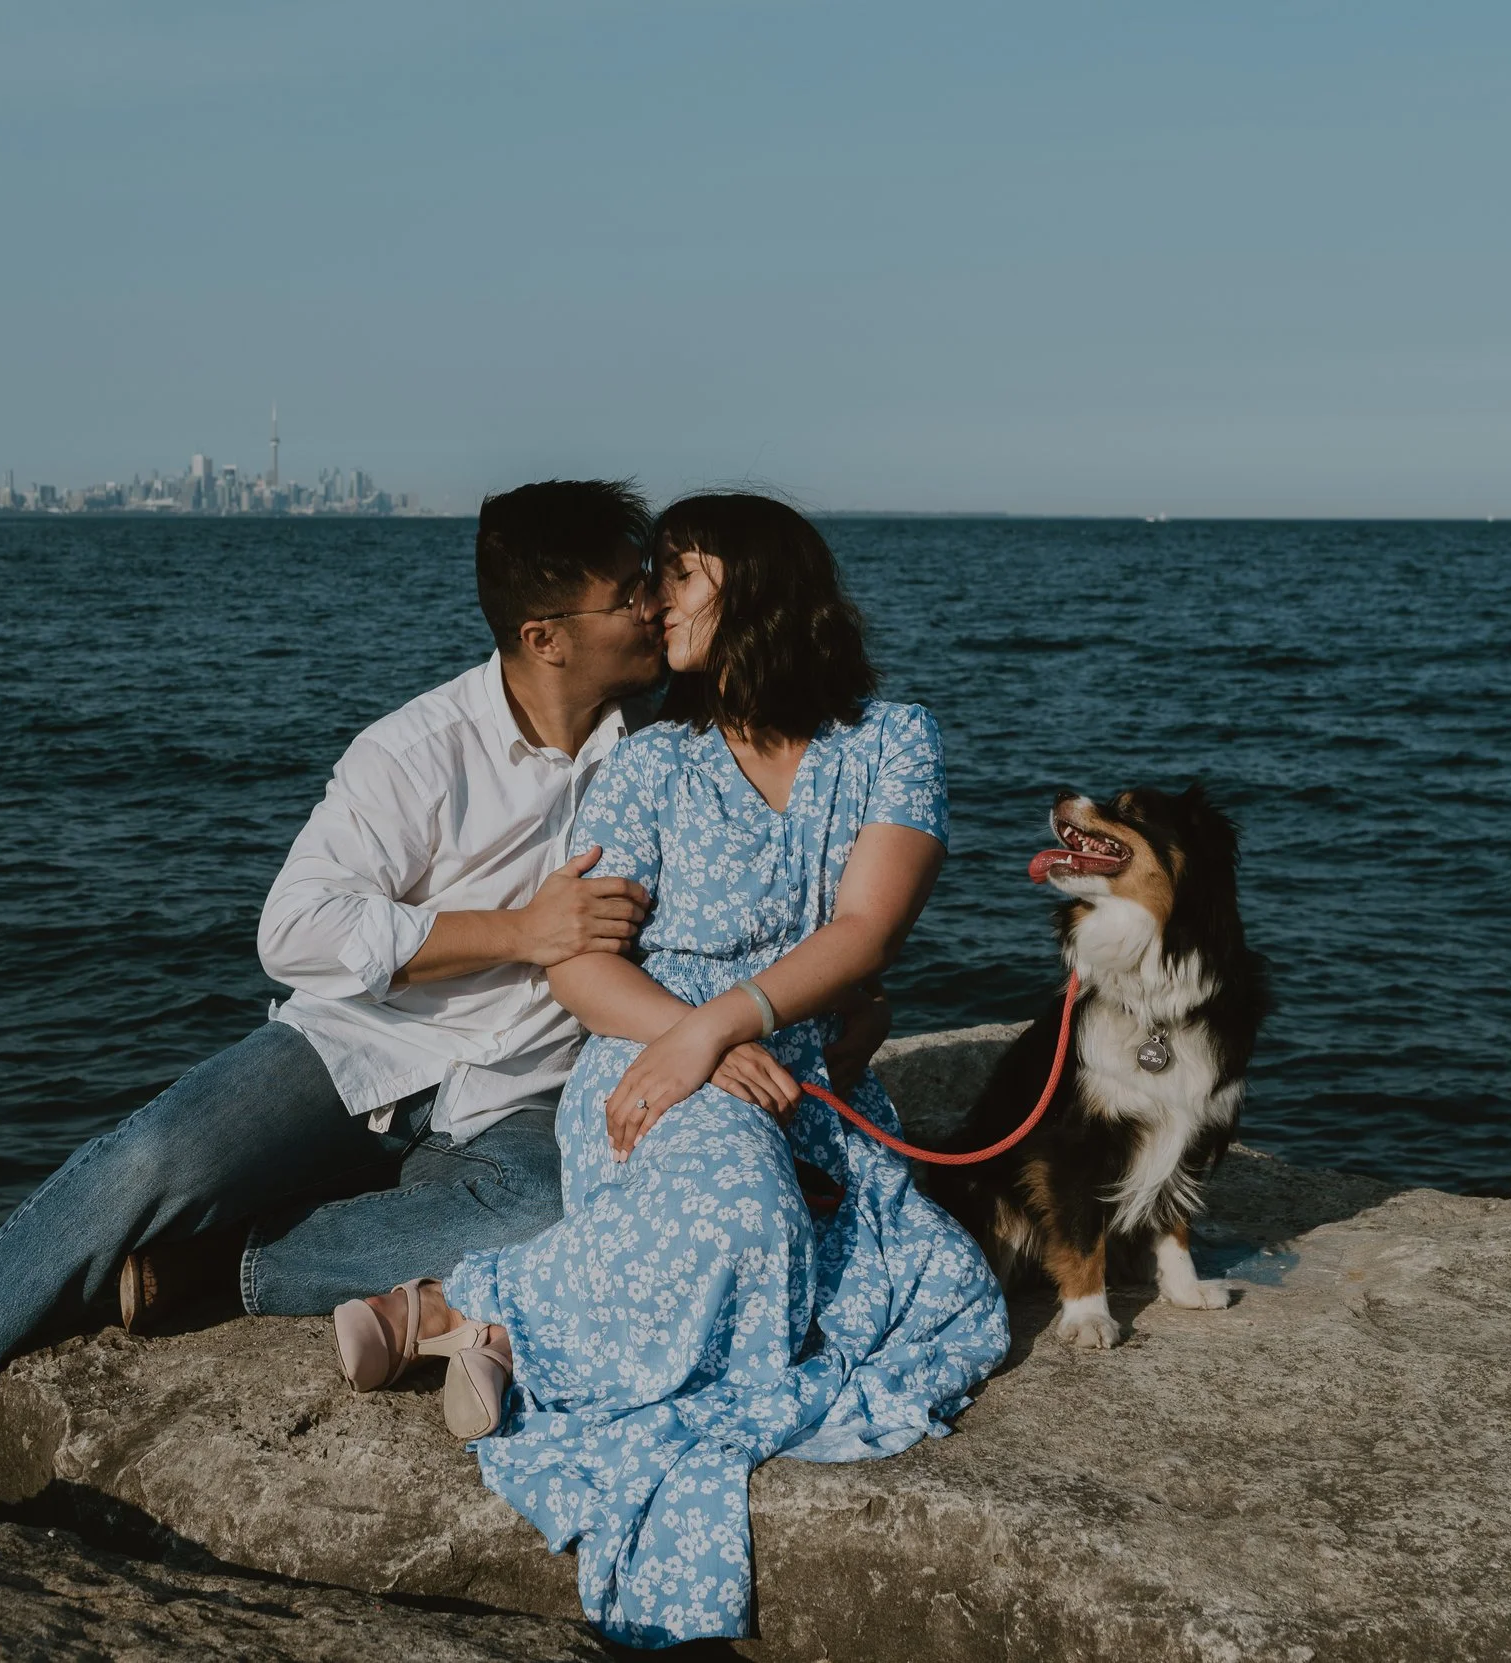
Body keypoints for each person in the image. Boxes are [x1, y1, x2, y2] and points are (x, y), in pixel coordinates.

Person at [0, 479, 702, 1479]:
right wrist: (517, 931)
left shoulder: (670, 743)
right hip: (357, 1050)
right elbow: (292, 929)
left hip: (521, 1090)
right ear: (546, 636)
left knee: (548, 1213)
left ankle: (219, 1265)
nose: (654, 608)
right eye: (630, 591)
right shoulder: (419, 750)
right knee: (148, 1158)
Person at [332, 493, 1011, 1649]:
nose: (653, 603)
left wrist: (730, 1028)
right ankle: (457, 1307)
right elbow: (579, 966)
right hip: (648, 1057)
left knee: (920, 1297)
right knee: (746, 1219)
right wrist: (690, 1039)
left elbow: (866, 933)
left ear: (757, 588)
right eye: (649, 582)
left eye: (680, 576)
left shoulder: (892, 740)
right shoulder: (650, 765)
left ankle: (476, 1316)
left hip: (793, 1074)